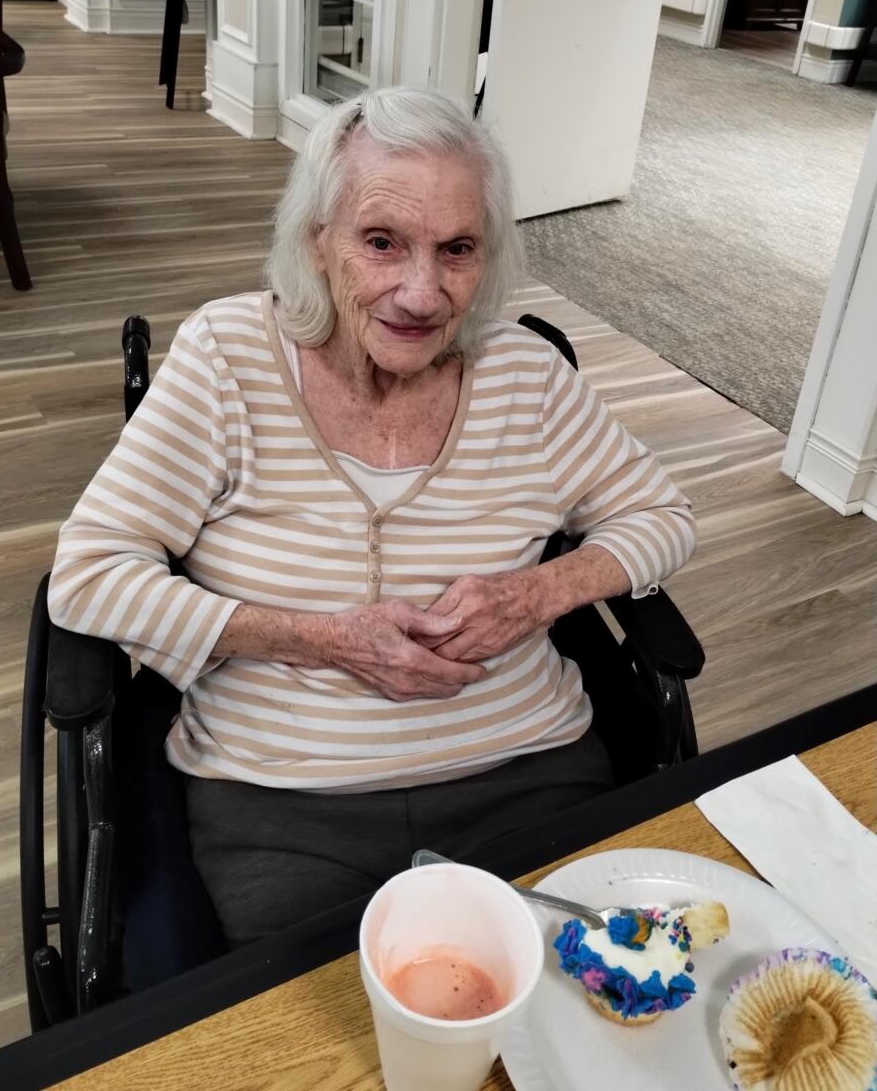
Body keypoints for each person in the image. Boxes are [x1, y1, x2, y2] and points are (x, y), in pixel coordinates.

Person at [48, 87, 696, 948]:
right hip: (286, 801)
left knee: (589, 992)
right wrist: (318, 639)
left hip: (528, 772)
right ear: (317, 240)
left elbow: (662, 514)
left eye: (457, 249)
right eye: (382, 242)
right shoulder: (227, 358)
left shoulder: (526, 377)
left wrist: (542, 592)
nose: (422, 295)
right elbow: (89, 577)